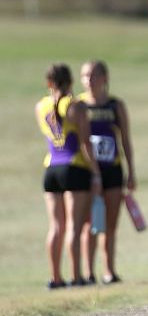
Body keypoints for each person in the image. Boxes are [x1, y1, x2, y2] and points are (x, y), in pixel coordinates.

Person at [35, 64, 101, 289]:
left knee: (56, 227)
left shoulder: (40, 106)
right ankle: (76, 276)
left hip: (51, 167)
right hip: (74, 168)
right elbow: (85, 143)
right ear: (71, 81)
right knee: (74, 226)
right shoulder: (75, 107)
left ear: (48, 83)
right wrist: (95, 173)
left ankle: (55, 277)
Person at [78, 61, 137, 284]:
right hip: (87, 172)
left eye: (93, 76)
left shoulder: (115, 105)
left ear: (104, 78)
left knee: (110, 224)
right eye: (84, 76)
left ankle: (109, 270)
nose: (88, 81)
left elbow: (125, 140)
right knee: (89, 223)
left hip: (112, 169)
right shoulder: (78, 105)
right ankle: (88, 272)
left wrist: (131, 172)